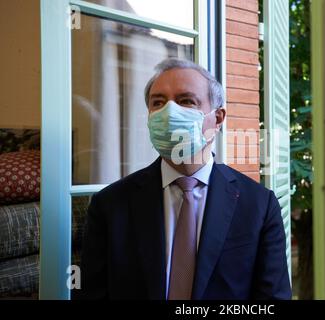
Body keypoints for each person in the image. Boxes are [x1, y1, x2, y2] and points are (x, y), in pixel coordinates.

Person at [74, 58, 291, 300]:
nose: (169, 112)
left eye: (186, 101)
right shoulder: (110, 205)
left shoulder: (259, 205)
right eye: (158, 102)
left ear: (217, 119)